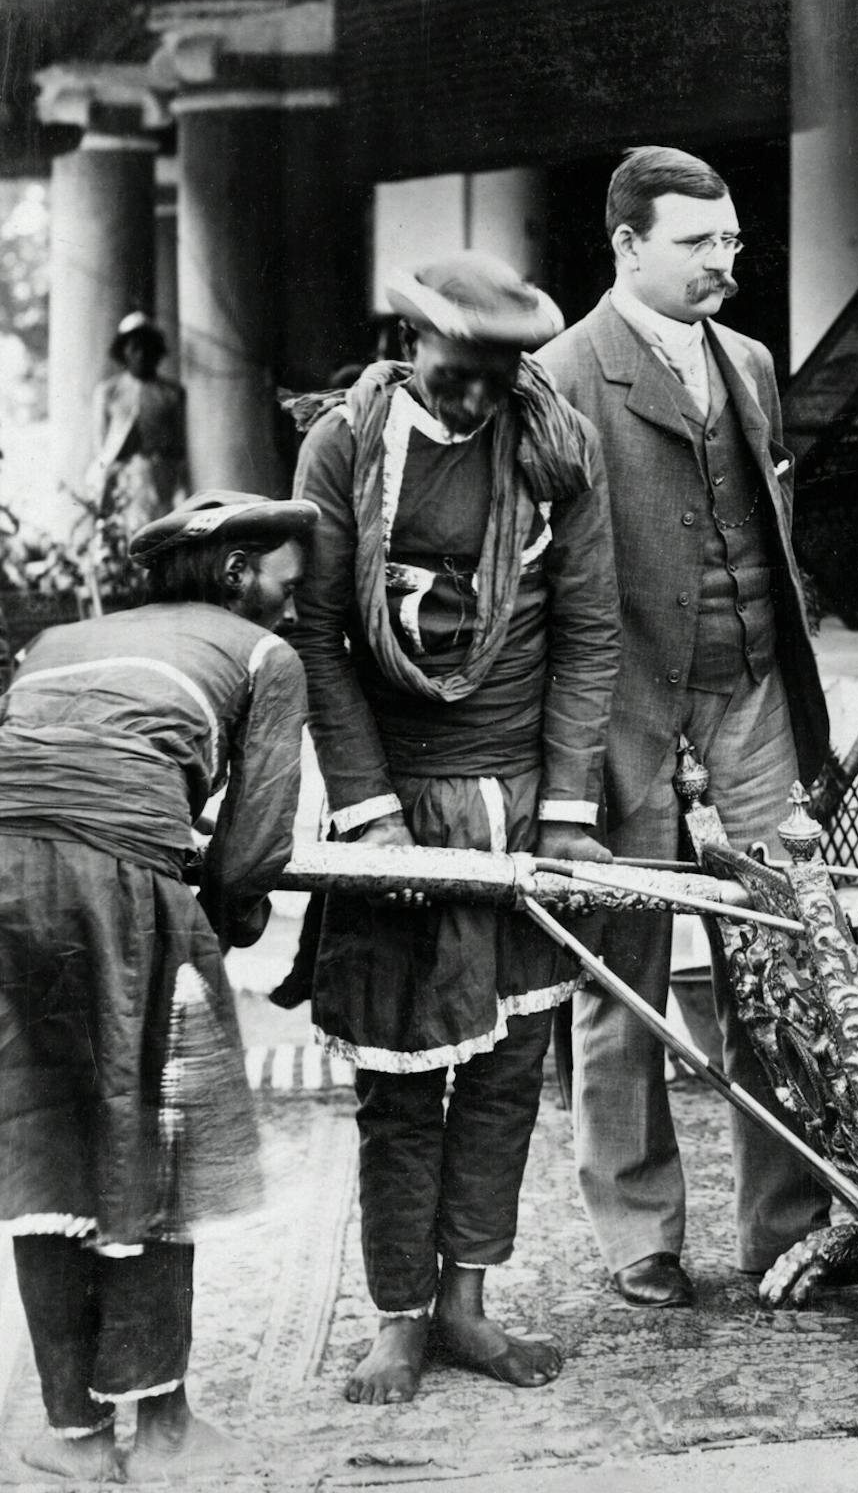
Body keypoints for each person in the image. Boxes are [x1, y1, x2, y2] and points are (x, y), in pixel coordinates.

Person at [290, 253, 619, 1404]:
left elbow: (587, 633)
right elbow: (321, 640)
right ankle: (396, 1314)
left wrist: (570, 814)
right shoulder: (344, 445)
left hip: (518, 800)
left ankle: (468, 1305)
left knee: (508, 1067)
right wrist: (372, 816)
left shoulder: (554, 447)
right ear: (406, 340)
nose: (477, 397)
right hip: (394, 800)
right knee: (399, 1074)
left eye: (499, 374)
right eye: (457, 372)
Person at [535, 146, 833, 1302]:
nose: (725, 264)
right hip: (625, 703)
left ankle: (787, 1216)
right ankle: (638, 1233)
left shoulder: (750, 362)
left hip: (749, 687)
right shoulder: (561, 375)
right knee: (624, 967)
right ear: (626, 245)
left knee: (780, 947)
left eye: (732, 242)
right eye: (697, 243)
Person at [0, 489, 313, 1481]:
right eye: (283, 582)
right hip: (116, 876)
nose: (292, 606)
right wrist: (218, 927)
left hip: (3, 874)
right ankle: (166, 1428)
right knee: (156, 1129)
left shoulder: (58, 640)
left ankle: (76, 1435)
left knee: (42, 1138)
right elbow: (252, 850)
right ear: (233, 572)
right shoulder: (267, 658)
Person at [88, 312, 189, 533]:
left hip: (162, 478)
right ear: (124, 351)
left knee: (160, 536)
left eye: (147, 347)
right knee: (125, 537)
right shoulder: (109, 392)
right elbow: (102, 447)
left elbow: (180, 447)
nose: (141, 354)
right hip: (124, 480)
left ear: (156, 351)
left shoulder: (172, 393)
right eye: (134, 348)